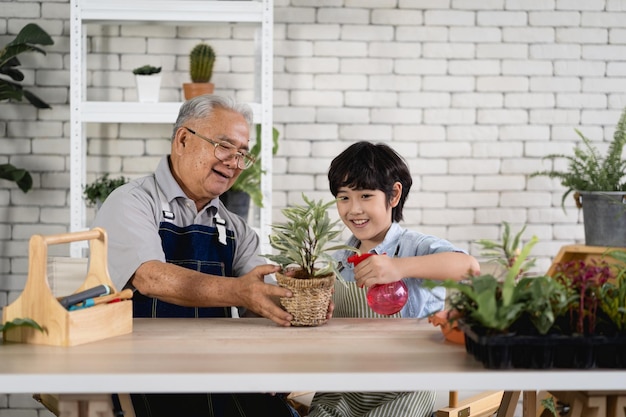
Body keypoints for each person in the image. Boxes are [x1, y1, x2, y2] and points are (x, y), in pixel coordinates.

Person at [92, 94, 299, 417]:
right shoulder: (131, 202)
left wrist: (296, 304)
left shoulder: (234, 228)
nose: (234, 161)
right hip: (141, 376)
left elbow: (261, 298)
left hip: (215, 374)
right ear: (183, 140)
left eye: (242, 153)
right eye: (224, 146)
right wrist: (239, 291)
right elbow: (150, 277)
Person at [307, 141, 480, 417]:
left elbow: (469, 267)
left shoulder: (413, 246)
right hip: (344, 385)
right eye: (344, 197)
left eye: (365, 196)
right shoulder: (339, 258)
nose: (353, 210)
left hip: (409, 384)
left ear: (394, 195)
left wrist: (399, 268)